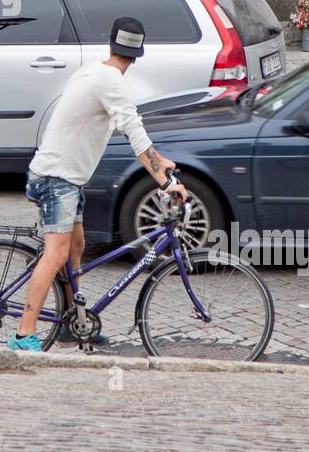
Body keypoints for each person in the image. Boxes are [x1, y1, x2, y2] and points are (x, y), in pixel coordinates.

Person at [10, 18, 183, 353]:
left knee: (76, 246)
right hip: (56, 178)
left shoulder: (92, 71)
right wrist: (164, 181)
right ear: (137, 55)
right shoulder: (112, 83)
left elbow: (135, 132)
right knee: (56, 253)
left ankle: (71, 323)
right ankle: (23, 335)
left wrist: (160, 161)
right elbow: (134, 132)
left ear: (111, 44)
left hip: (64, 177)